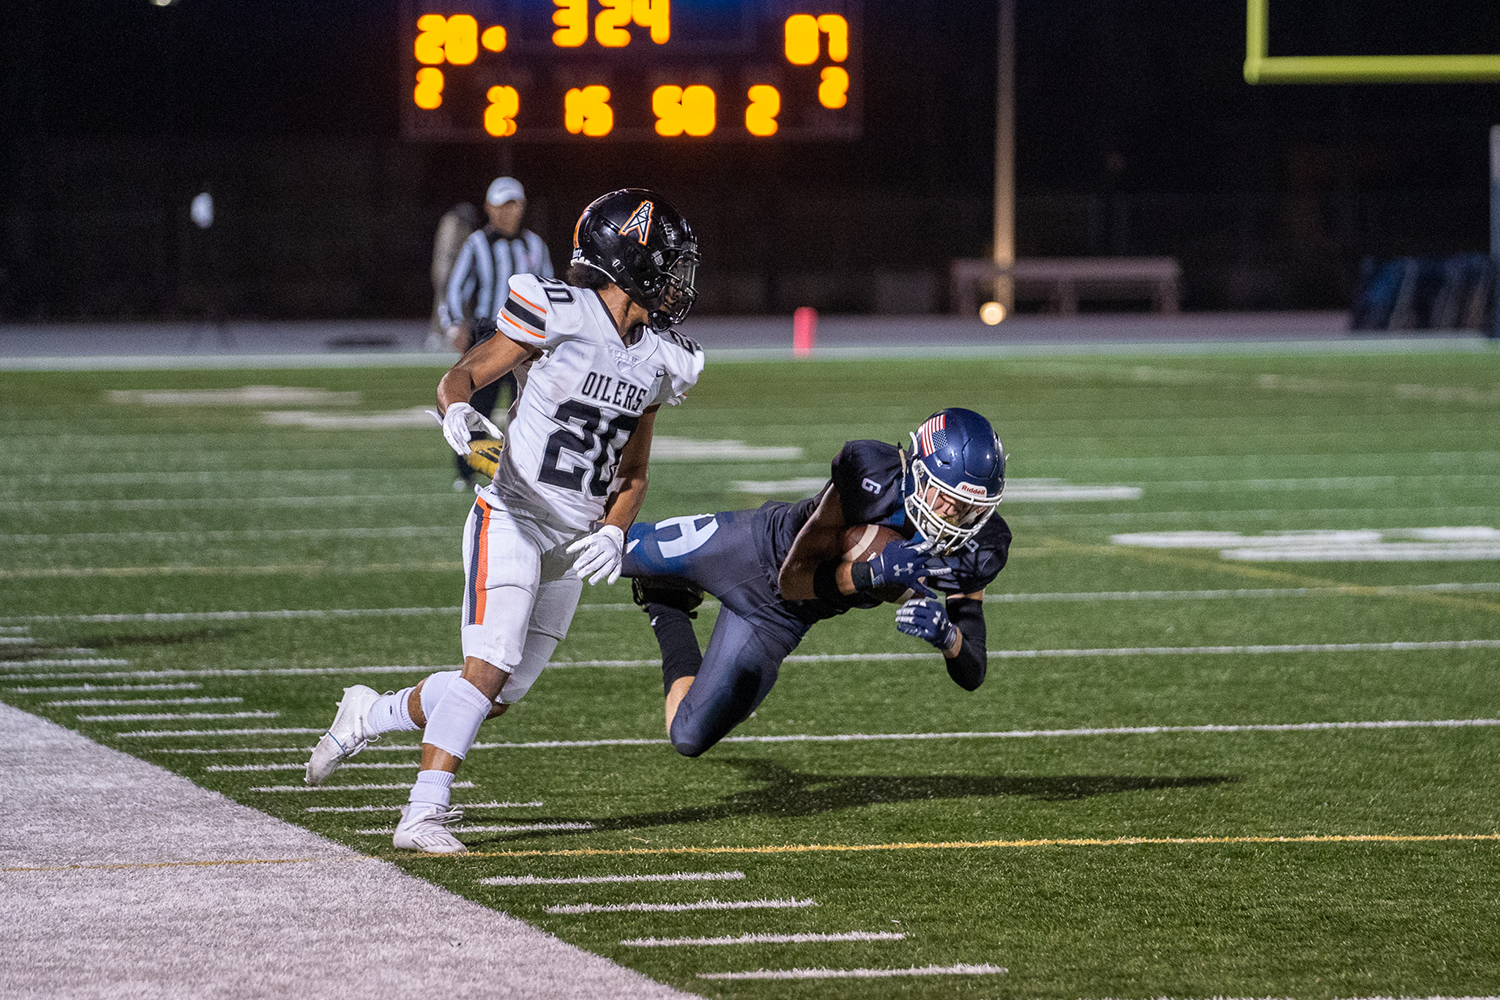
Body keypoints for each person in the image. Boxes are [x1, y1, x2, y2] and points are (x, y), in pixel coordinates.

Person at [305, 189, 704, 854]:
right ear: (628, 261)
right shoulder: (559, 311)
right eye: (668, 265)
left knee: (495, 693)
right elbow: (463, 375)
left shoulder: (662, 359)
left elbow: (633, 473)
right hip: (513, 512)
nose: (677, 283)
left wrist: (613, 529)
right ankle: (422, 814)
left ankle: (367, 713)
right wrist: (459, 414)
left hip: (573, 541)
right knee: (487, 665)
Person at [623, 408, 1009, 757]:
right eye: (946, 497)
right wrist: (871, 574)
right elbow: (793, 577)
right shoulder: (871, 476)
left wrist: (949, 640)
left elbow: (973, 670)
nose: (954, 514)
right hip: (752, 547)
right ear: (919, 470)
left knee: (687, 736)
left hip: (782, 619)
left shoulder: (980, 547)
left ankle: (665, 601)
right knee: (604, 548)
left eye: (971, 507)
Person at [438, 177, 555, 490]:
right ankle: (467, 471)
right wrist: (454, 325)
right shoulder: (476, 244)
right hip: (489, 337)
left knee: (531, 411)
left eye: (515, 204)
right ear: (489, 207)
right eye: (503, 205)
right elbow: (455, 288)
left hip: (528, 342)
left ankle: (525, 475)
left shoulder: (535, 244)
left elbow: (551, 291)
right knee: (475, 408)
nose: (509, 212)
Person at [425, 201, 482, 351]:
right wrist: (444, 275)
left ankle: (451, 333)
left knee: (456, 302)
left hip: (453, 271)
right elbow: (446, 252)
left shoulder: (456, 224)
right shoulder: (452, 224)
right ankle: (439, 334)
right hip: (447, 270)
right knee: (443, 303)